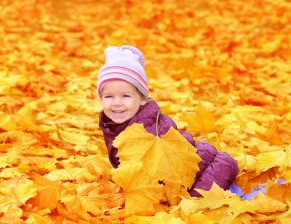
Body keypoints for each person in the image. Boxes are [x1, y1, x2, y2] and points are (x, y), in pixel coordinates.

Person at [97, 45, 239, 197]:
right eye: (109, 96)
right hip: (176, 170)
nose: (117, 102)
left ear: (143, 99)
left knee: (194, 198)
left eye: (126, 96)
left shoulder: (150, 127)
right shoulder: (112, 125)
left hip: (197, 170)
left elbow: (166, 168)